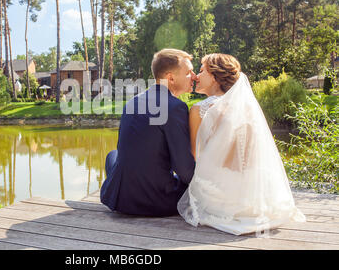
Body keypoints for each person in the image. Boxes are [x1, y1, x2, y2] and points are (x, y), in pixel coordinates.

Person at [177, 53, 306, 235]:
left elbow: (194, 155)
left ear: (215, 76)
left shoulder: (199, 110)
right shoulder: (245, 108)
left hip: (220, 200)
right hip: (254, 196)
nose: (197, 76)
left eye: (201, 71)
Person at [100, 49, 197, 217]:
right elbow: (185, 171)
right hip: (157, 202)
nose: (194, 76)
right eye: (189, 73)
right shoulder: (175, 108)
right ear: (170, 77)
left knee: (113, 155)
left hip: (119, 200)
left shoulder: (132, 102)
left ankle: (120, 186)